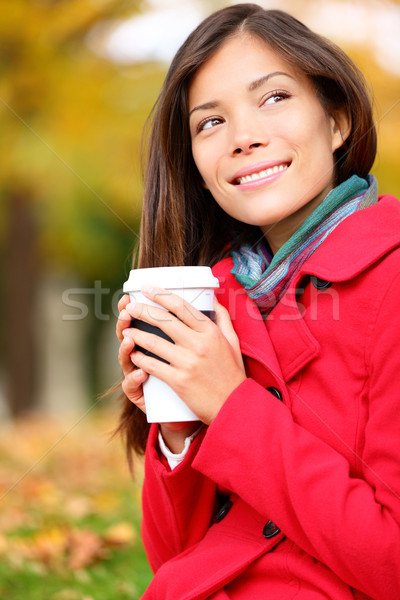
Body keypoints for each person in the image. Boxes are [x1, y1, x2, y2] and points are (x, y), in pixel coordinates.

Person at [115, 4, 400, 599]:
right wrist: (179, 422)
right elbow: (176, 560)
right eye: (209, 123)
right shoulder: (214, 294)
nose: (244, 137)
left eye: (273, 98)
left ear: (338, 120)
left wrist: (231, 403)